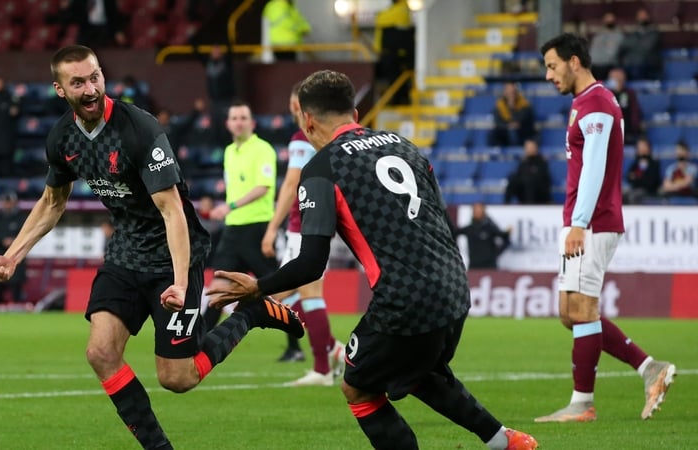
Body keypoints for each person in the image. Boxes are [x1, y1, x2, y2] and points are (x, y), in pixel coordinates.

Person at [0, 45, 304, 450]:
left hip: (173, 255)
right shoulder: (62, 138)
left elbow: (173, 212)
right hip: (125, 255)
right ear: (60, 89)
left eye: (94, 77)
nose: (90, 88)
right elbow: (52, 202)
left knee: (178, 378)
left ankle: (251, 313)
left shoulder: (139, 128)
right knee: (100, 352)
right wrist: (12, 256)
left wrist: (181, 281)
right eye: (77, 82)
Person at [207, 69, 538, 450]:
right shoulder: (406, 145)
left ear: (307, 119)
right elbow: (441, 222)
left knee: (357, 385)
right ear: (356, 113)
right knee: (410, 369)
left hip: (405, 300)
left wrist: (259, 287)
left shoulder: (321, 168)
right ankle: (505, 441)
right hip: (455, 287)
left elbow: (311, 263)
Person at [535, 33, 676, 423]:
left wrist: (580, 223)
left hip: (593, 222)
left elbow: (595, 166)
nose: (549, 75)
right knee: (570, 311)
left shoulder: (596, 102)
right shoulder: (587, 102)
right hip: (582, 220)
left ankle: (582, 404)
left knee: (581, 309)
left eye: (552, 65)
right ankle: (649, 367)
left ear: (575, 61)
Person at [260, 84, 345, 382]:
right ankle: (331, 353)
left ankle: (324, 364)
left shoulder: (300, 140)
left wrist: (272, 228)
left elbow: (290, 185)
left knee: (293, 295)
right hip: (318, 223)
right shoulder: (323, 139)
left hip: (302, 226)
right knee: (304, 295)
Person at [201, 101, 280, 331]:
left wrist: (230, 206)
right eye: (234, 118)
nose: (239, 122)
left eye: (243, 118)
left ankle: (293, 344)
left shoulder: (263, 149)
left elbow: (263, 187)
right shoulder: (228, 152)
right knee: (218, 288)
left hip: (257, 227)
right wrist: (226, 209)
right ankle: (197, 342)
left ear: (252, 123)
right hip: (233, 229)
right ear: (227, 124)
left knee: (275, 288)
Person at [0, 190, 27, 310]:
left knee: (15, 286)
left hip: (16, 257)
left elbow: (26, 237)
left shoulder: (20, 218)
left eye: (9, 202)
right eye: (5, 202)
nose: (7, 204)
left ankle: (17, 309)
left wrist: (13, 241)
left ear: (14, 202)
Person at [373, 0, 414, 105]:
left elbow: (380, 19)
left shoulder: (403, 9)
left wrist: (381, 16)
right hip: (389, 54)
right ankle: (397, 101)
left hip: (401, 55)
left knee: (399, 80)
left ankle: (402, 101)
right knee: (391, 79)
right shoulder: (393, 9)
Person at [454, 202, 511, 270]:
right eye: (475, 210)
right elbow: (453, 233)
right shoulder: (469, 229)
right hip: (474, 266)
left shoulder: (490, 228)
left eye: (479, 210)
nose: (477, 212)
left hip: (490, 266)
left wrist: (495, 254)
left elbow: (505, 238)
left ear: (484, 212)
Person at [60, 0, 127, 48]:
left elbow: (114, 16)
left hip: (104, 27)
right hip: (86, 28)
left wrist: (118, 31)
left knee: (104, 45)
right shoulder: (80, 1)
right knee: (81, 45)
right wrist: (65, 8)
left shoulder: (109, 1)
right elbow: (72, 16)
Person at [619, 7, 662, 80]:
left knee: (637, 67)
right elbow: (624, 45)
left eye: (644, 16)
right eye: (640, 16)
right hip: (632, 64)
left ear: (648, 17)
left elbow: (646, 47)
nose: (642, 18)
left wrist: (633, 46)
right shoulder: (634, 33)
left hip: (648, 64)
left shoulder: (654, 33)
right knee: (617, 70)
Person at [504, 139, 551, 204]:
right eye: (527, 147)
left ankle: (529, 206)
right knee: (512, 181)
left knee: (530, 182)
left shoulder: (541, 162)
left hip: (538, 191)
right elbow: (518, 175)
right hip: (524, 189)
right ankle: (506, 204)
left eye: (531, 147)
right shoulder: (523, 162)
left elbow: (543, 178)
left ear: (536, 148)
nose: (529, 149)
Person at [489, 82, 536, 147]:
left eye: (512, 92)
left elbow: (519, 121)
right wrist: (507, 126)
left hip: (522, 133)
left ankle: (514, 150)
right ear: (504, 92)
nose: (510, 94)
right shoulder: (500, 105)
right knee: (492, 133)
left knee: (513, 131)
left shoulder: (524, 104)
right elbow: (497, 122)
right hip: (505, 132)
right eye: (508, 91)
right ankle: (495, 152)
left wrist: (512, 106)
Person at [605, 68, 642, 145]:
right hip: (609, 133)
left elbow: (634, 113)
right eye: (614, 78)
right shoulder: (606, 94)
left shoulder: (629, 93)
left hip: (627, 132)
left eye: (619, 78)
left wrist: (634, 129)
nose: (617, 80)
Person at [624, 136, 661, 204]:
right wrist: (638, 178)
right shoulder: (636, 163)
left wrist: (636, 178)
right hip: (635, 189)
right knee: (622, 193)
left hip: (649, 191)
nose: (640, 149)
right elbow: (628, 177)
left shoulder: (654, 164)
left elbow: (651, 182)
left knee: (632, 196)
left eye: (642, 146)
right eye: (639, 147)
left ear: (648, 148)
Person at [588, 12, 623, 81]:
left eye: (611, 19)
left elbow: (614, 54)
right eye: (607, 19)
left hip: (609, 67)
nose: (609, 21)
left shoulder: (619, 36)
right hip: (595, 66)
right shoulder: (598, 36)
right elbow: (592, 52)